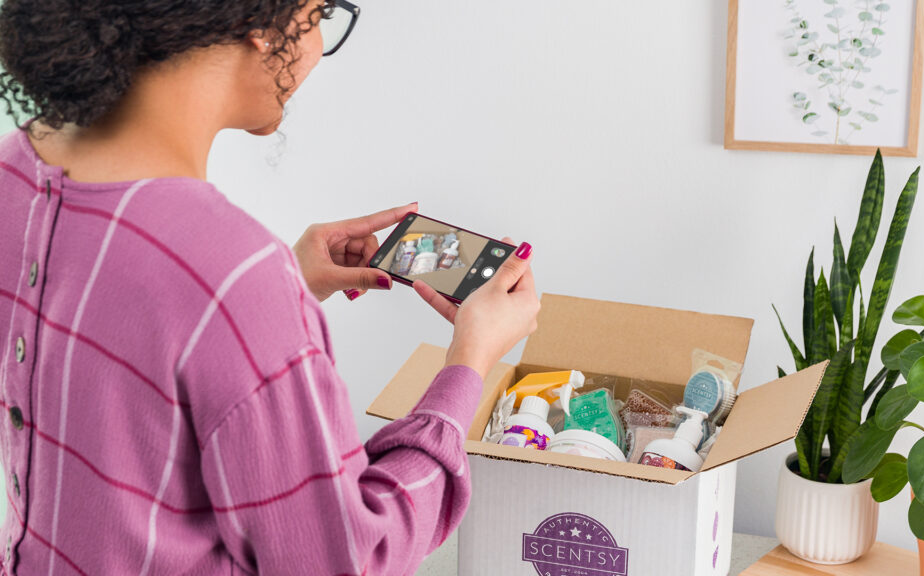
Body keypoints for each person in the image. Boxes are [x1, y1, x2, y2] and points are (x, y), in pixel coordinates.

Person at [0, 1, 540, 574]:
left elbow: (116, 364)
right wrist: (468, 366)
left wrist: (280, 289)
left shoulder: (16, 169)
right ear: (262, 21)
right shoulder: (232, 275)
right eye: (323, 11)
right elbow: (345, 559)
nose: (318, 47)